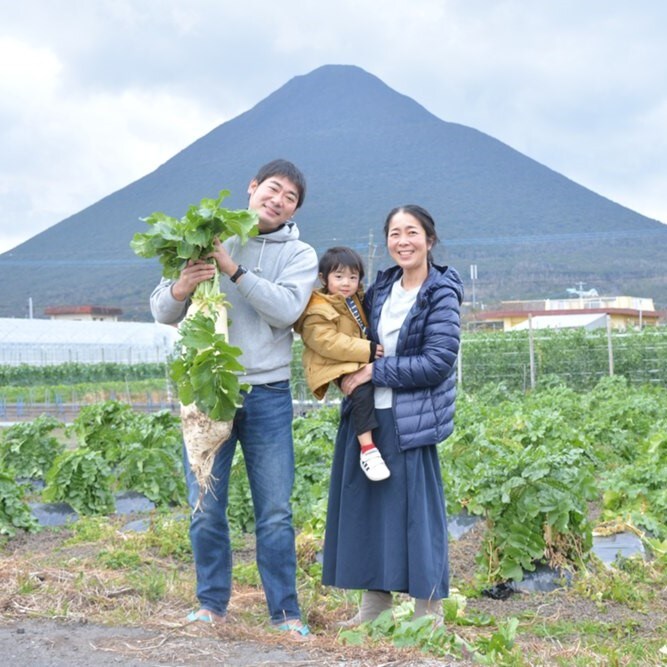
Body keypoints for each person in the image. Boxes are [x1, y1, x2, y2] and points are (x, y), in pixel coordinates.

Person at [150, 159, 318, 639]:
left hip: (267, 393)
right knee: (205, 501)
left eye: (290, 197)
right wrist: (183, 284)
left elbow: (287, 310)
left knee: (275, 510)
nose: (278, 200)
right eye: (272, 189)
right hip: (208, 392)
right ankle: (210, 605)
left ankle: (285, 613)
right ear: (252, 188)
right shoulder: (206, 234)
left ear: (294, 209)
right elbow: (162, 308)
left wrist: (234, 269)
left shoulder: (299, 254)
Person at [321, 204, 463, 624]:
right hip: (369, 418)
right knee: (371, 512)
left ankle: (428, 615)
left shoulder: (441, 291)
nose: (403, 241)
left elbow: (437, 361)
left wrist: (373, 369)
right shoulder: (379, 289)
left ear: (429, 240)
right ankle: (373, 610)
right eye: (395, 233)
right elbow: (345, 336)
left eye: (412, 232)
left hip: (411, 420)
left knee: (418, 519)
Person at [294, 246, 389, 481]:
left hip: (350, 358)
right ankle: (368, 449)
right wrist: (366, 350)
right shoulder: (317, 308)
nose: (346, 283)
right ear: (323, 278)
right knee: (361, 390)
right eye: (339, 276)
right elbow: (327, 342)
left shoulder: (355, 300)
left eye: (353, 277)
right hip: (332, 363)